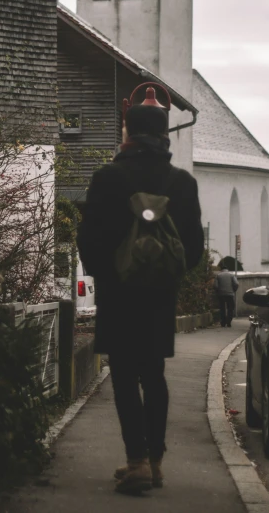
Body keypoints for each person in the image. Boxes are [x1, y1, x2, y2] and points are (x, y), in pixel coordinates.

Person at [77, 98, 204, 495]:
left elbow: (89, 240)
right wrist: (168, 273)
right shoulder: (182, 183)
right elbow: (194, 247)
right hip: (159, 294)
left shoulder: (107, 177)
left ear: (128, 133)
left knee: (124, 373)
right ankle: (156, 460)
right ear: (165, 135)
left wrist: (109, 274)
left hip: (119, 293)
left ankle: (137, 461)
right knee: (153, 373)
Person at [214, 262, 239, 327]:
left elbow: (215, 286)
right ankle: (229, 321)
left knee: (222, 308)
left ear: (221, 270)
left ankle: (223, 322)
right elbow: (236, 283)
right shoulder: (231, 275)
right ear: (227, 269)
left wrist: (218, 291)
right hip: (230, 294)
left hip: (221, 294)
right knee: (230, 308)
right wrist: (234, 290)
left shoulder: (218, 276)